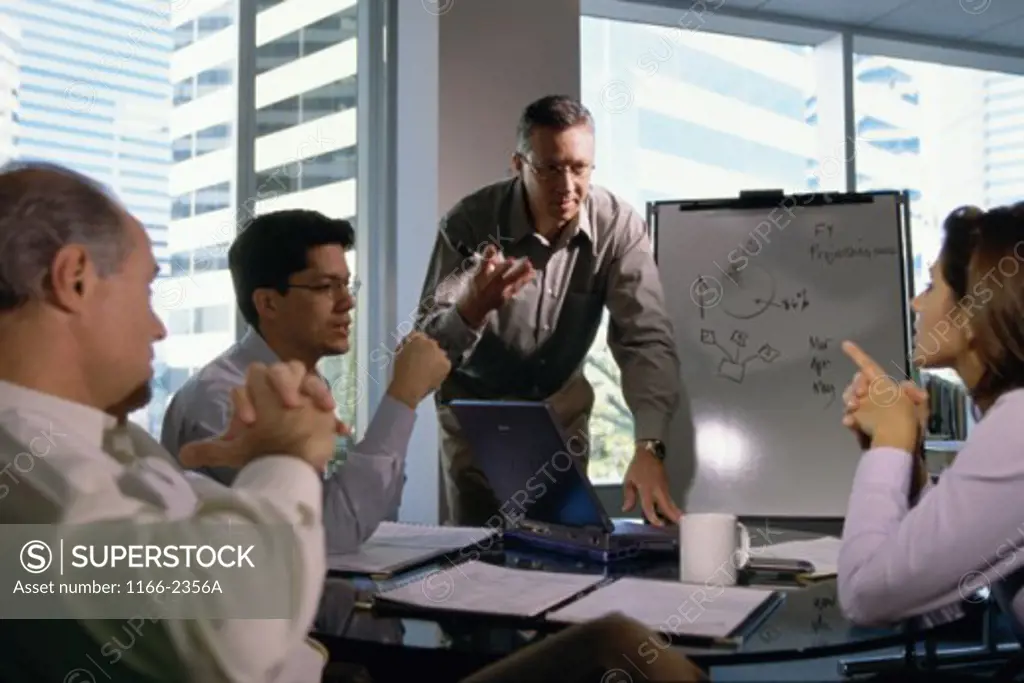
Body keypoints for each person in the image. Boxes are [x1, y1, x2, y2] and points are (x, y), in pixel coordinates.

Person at [0, 161, 342, 681]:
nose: (158, 328)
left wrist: (251, 467)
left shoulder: (107, 440)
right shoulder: (22, 469)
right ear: (74, 279)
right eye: (146, 289)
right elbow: (233, 626)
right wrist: (285, 456)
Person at [417, 94, 684, 527]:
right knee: (477, 559)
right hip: (478, 412)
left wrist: (648, 445)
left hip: (561, 408)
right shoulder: (469, 222)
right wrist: (470, 310)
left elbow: (645, 338)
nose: (566, 185)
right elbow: (426, 344)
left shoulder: (619, 227)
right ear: (518, 164)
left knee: (567, 548)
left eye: (579, 168)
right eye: (550, 167)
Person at [161, 209, 451, 552]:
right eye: (326, 287)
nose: (348, 302)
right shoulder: (225, 398)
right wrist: (403, 396)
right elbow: (325, 535)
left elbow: (368, 514)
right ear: (268, 303)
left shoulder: (305, 384)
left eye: (347, 283)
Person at [838, 202, 1024, 629]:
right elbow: (932, 588)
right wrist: (910, 465)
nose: (916, 302)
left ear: (974, 312)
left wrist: (890, 441)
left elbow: (865, 595)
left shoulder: (1017, 427)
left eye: (931, 285)